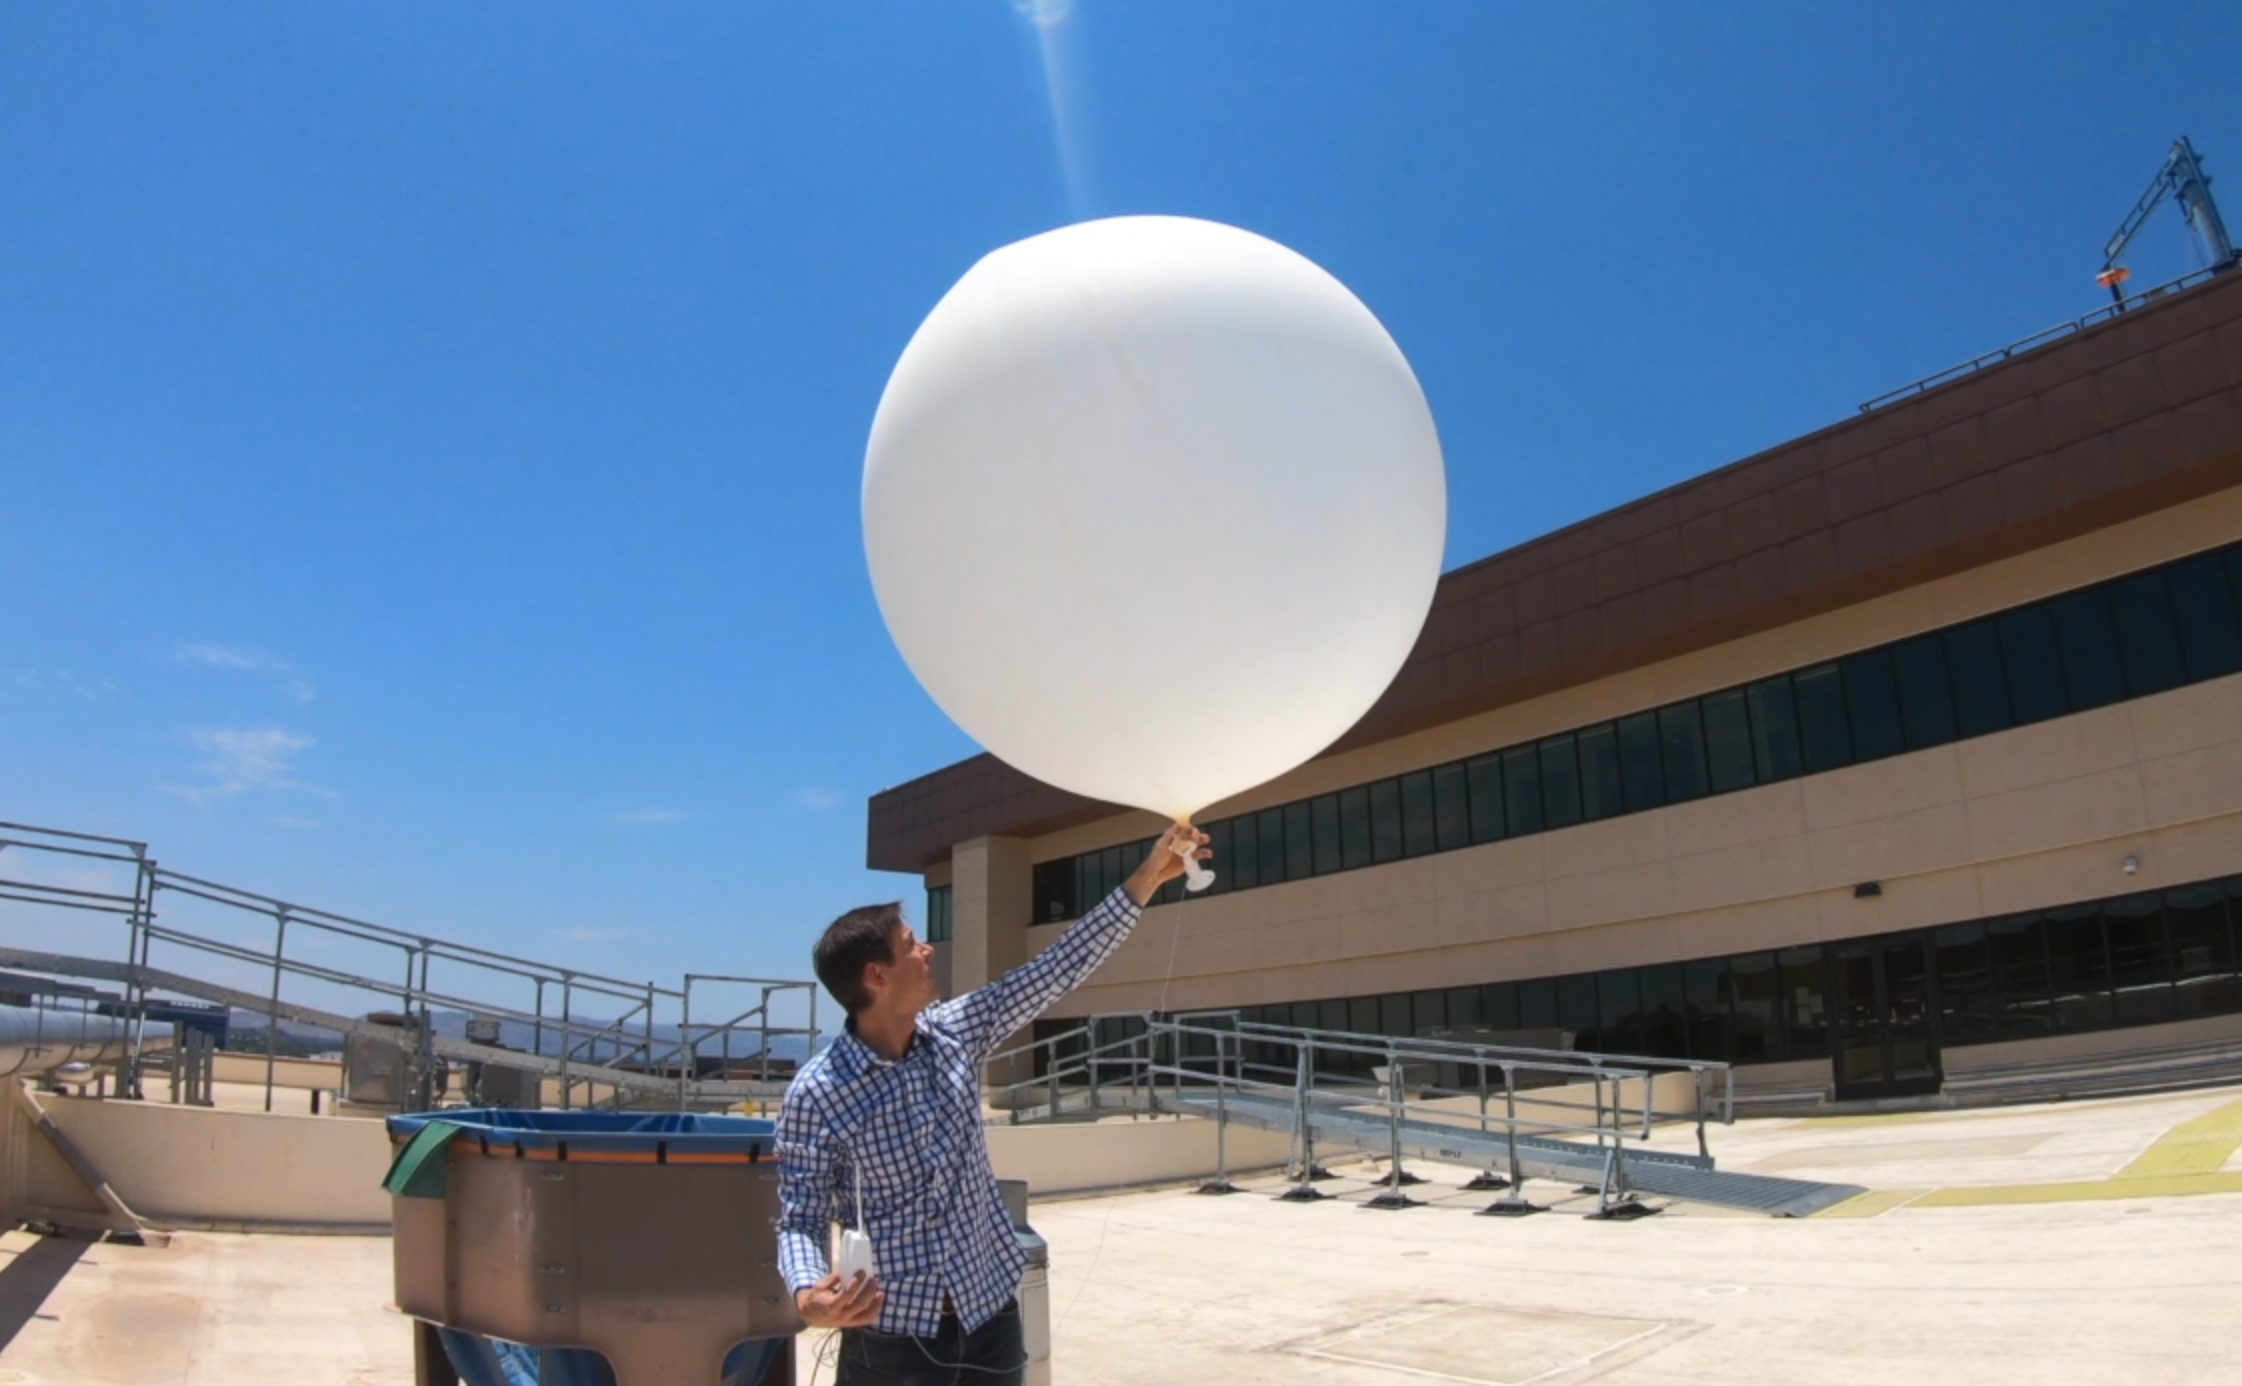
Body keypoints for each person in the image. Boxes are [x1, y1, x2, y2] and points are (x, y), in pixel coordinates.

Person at [776, 821, 1211, 1384]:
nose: (928, 948)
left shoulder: (955, 1032)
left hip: (991, 1320)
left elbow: (1056, 969)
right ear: (877, 975)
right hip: (890, 1343)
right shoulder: (817, 1092)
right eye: (912, 945)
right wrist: (809, 1295)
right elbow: (801, 1219)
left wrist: (1148, 877)